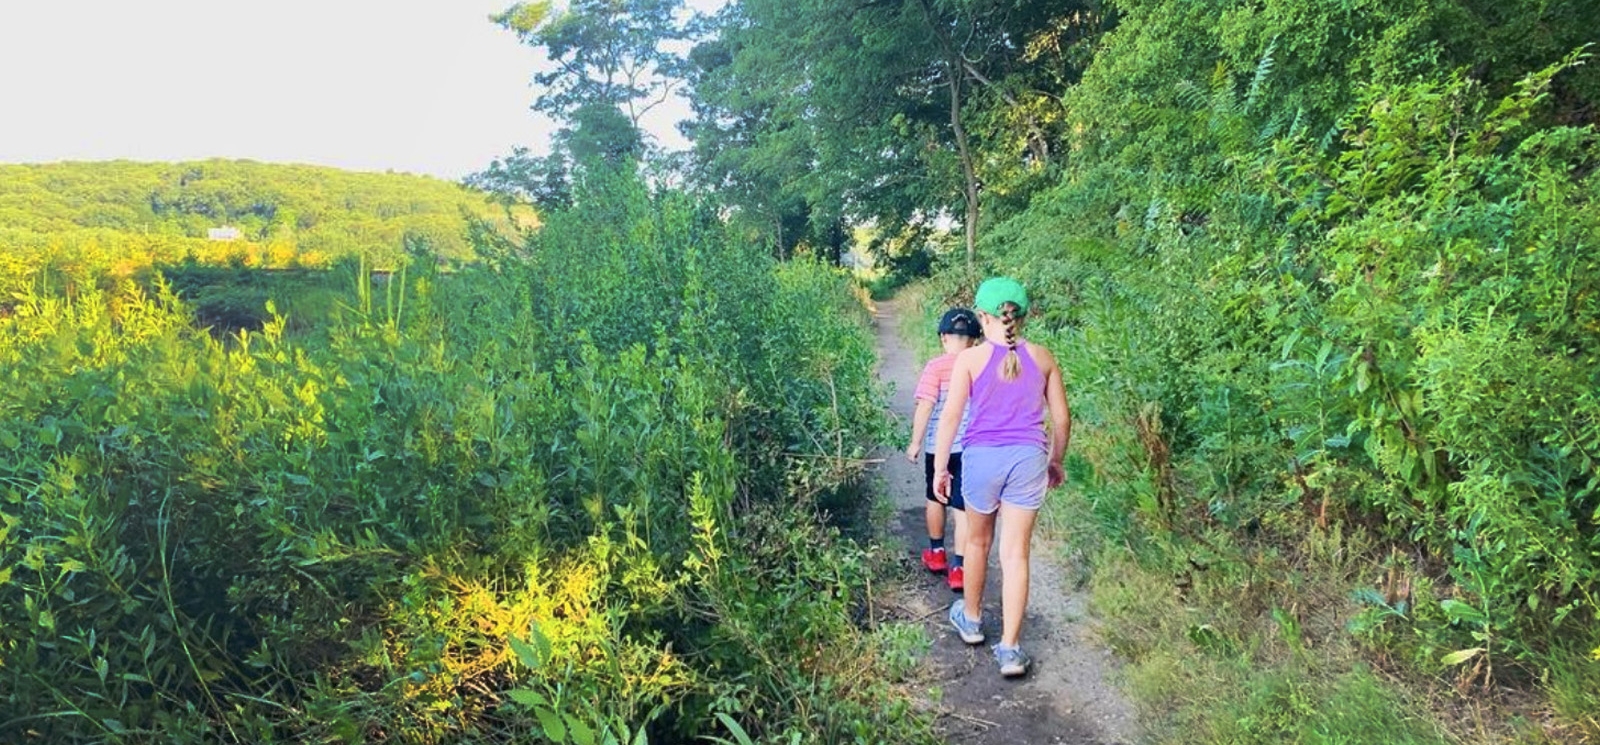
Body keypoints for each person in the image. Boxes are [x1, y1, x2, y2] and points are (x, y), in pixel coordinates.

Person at [932, 277, 1070, 678]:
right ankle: (1010, 649)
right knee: (1016, 554)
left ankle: (972, 620)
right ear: (1022, 316)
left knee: (977, 542)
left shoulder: (970, 360)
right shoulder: (1043, 357)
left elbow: (952, 416)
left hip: (981, 459)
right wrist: (1055, 459)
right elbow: (1061, 419)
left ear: (982, 317)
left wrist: (942, 467)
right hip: (1028, 459)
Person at [906, 307, 982, 591]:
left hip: (938, 446)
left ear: (943, 337)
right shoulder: (981, 364)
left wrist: (915, 442)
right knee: (962, 507)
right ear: (975, 339)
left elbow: (925, 404)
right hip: (971, 447)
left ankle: (937, 553)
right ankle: (960, 568)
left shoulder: (935, 367)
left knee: (935, 497)